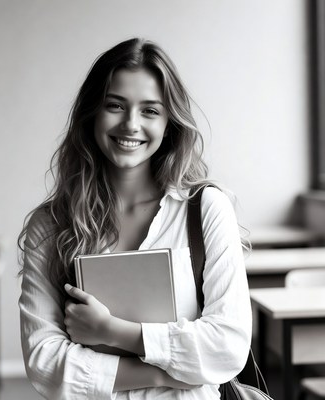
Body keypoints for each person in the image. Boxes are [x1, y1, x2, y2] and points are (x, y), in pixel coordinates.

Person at [18, 37, 252, 400]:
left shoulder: (205, 208)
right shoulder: (49, 226)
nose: (130, 124)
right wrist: (168, 375)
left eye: (150, 111)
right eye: (115, 105)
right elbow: (44, 364)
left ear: (169, 123)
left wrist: (112, 331)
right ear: (92, 112)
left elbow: (227, 346)